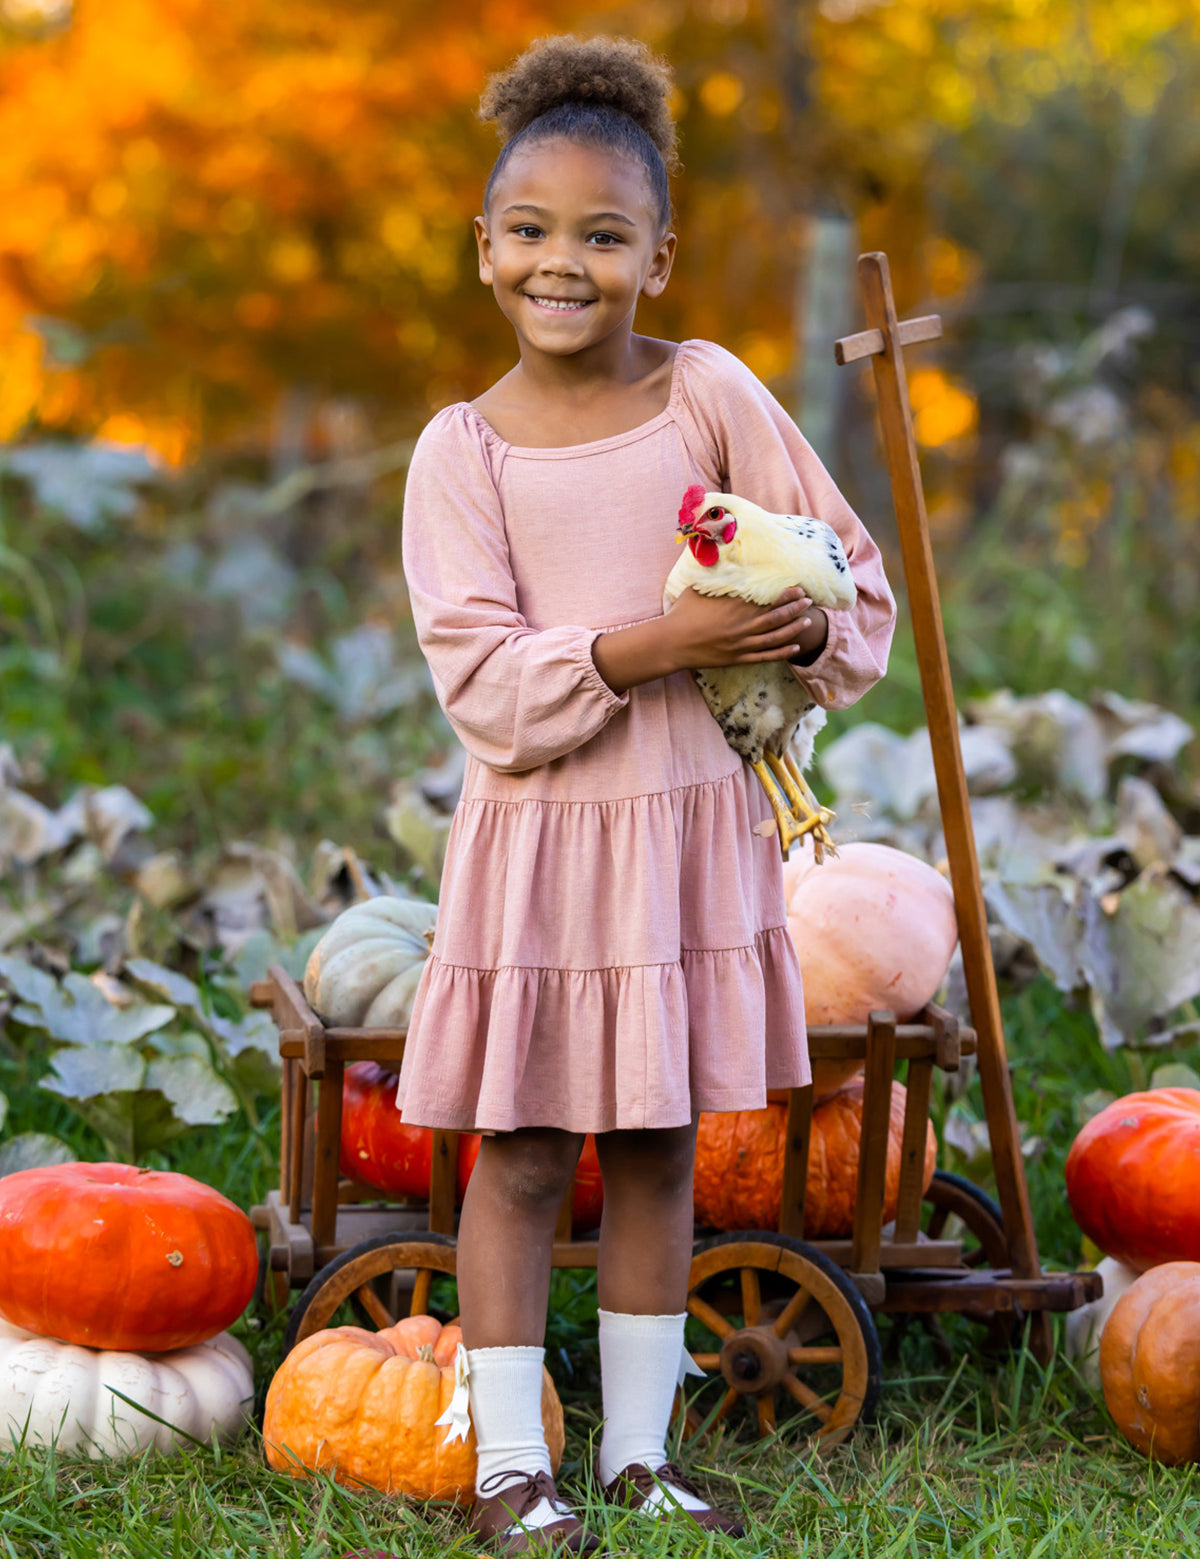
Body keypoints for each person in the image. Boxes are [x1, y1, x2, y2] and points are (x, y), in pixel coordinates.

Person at [396, 33, 895, 1554]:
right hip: (544, 851)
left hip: (687, 827)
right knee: (531, 1149)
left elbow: (843, 569)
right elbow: (485, 684)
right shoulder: (460, 452)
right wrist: (660, 641)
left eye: (602, 236)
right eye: (532, 232)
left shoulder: (712, 396)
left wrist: (800, 626)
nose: (565, 263)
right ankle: (506, 1472)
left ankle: (635, 1457)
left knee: (663, 1142)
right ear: (483, 250)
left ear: (657, 259)